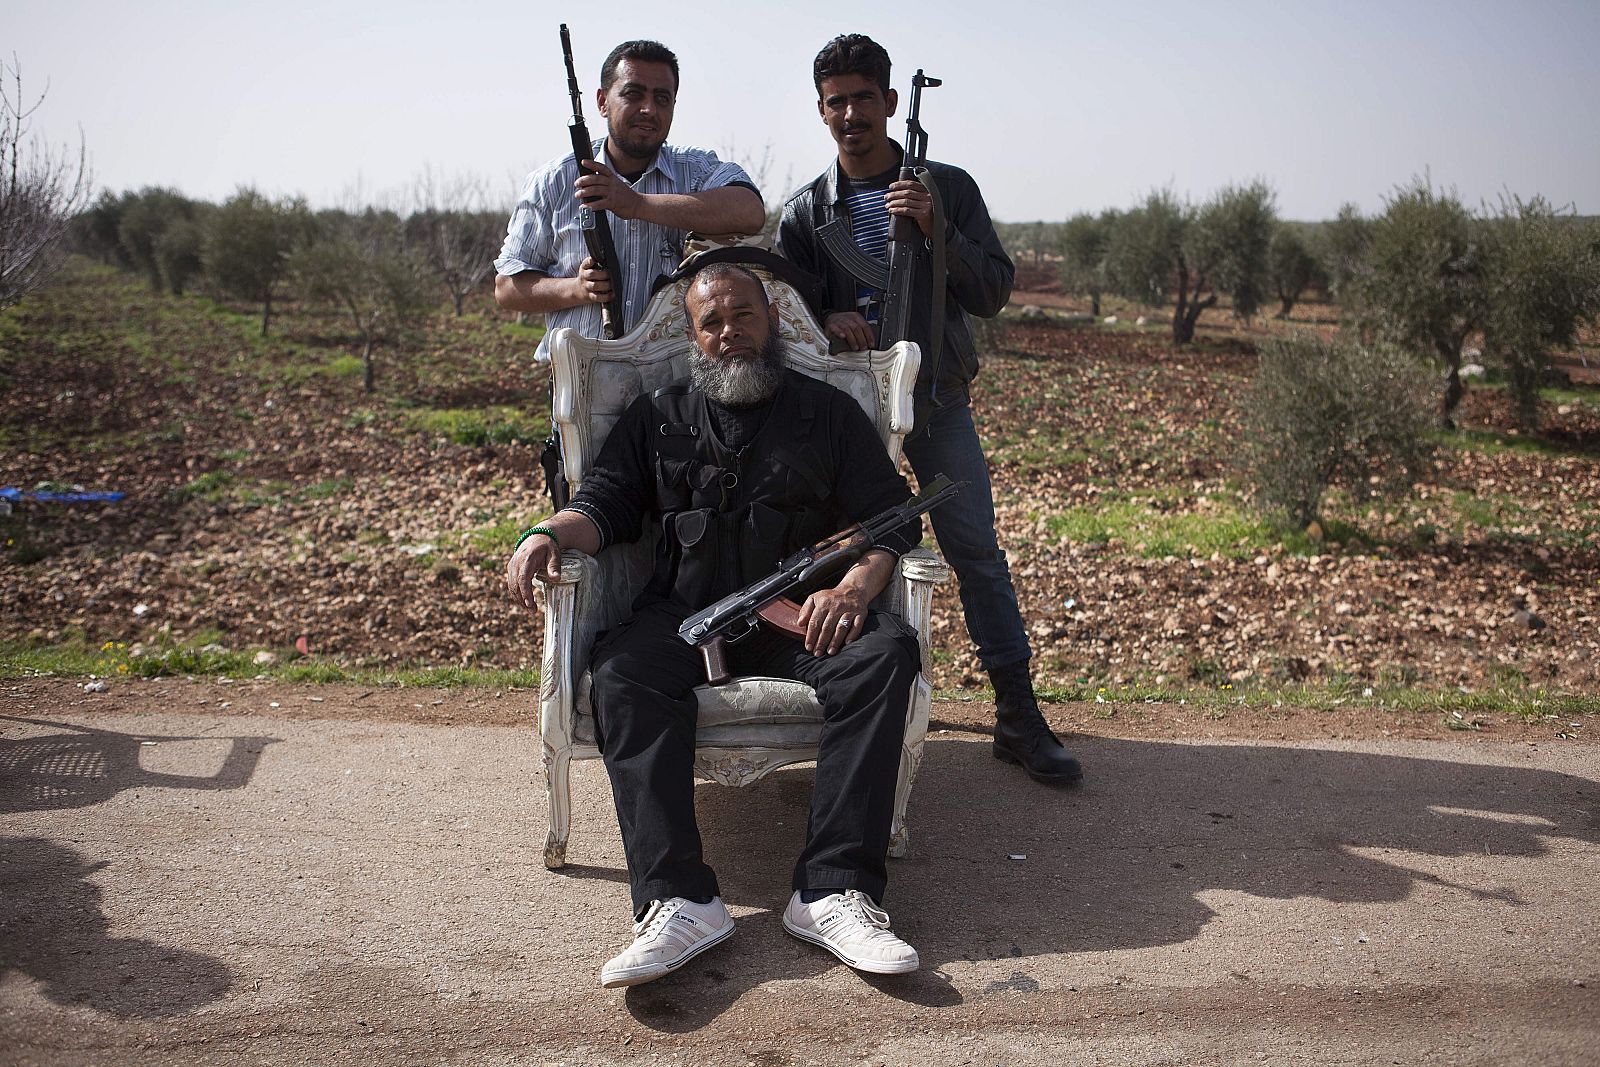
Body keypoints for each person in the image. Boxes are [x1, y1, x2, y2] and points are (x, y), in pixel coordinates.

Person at [505, 264, 926, 988]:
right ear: (695, 336)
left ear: (774, 322)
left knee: (884, 655)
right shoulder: (657, 415)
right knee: (623, 672)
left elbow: (893, 516)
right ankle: (679, 900)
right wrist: (546, 532)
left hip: (804, 618)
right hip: (686, 613)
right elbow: (603, 504)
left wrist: (856, 586)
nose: (730, 331)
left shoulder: (827, 414)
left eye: (743, 315)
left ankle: (830, 890)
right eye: (712, 321)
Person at [778, 34, 1082, 789]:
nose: (851, 113)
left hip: (937, 404)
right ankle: (844, 711)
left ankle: (1017, 714)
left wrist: (937, 228)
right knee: (839, 559)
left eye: (863, 98)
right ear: (821, 111)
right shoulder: (804, 213)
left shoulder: (948, 186)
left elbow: (993, 293)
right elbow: (784, 312)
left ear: (888, 103)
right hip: (849, 417)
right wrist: (827, 317)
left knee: (975, 552)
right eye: (835, 100)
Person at [494, 38, 766, 339]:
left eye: (661, 98)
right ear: (602, 102)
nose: (648, 109)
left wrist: (637, 204)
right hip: (580, 378)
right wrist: (577, 289)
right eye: (633, 95)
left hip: (676, 380)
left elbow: (749, 210)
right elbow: (507, 288)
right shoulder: (552, 181)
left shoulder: (696, 170)